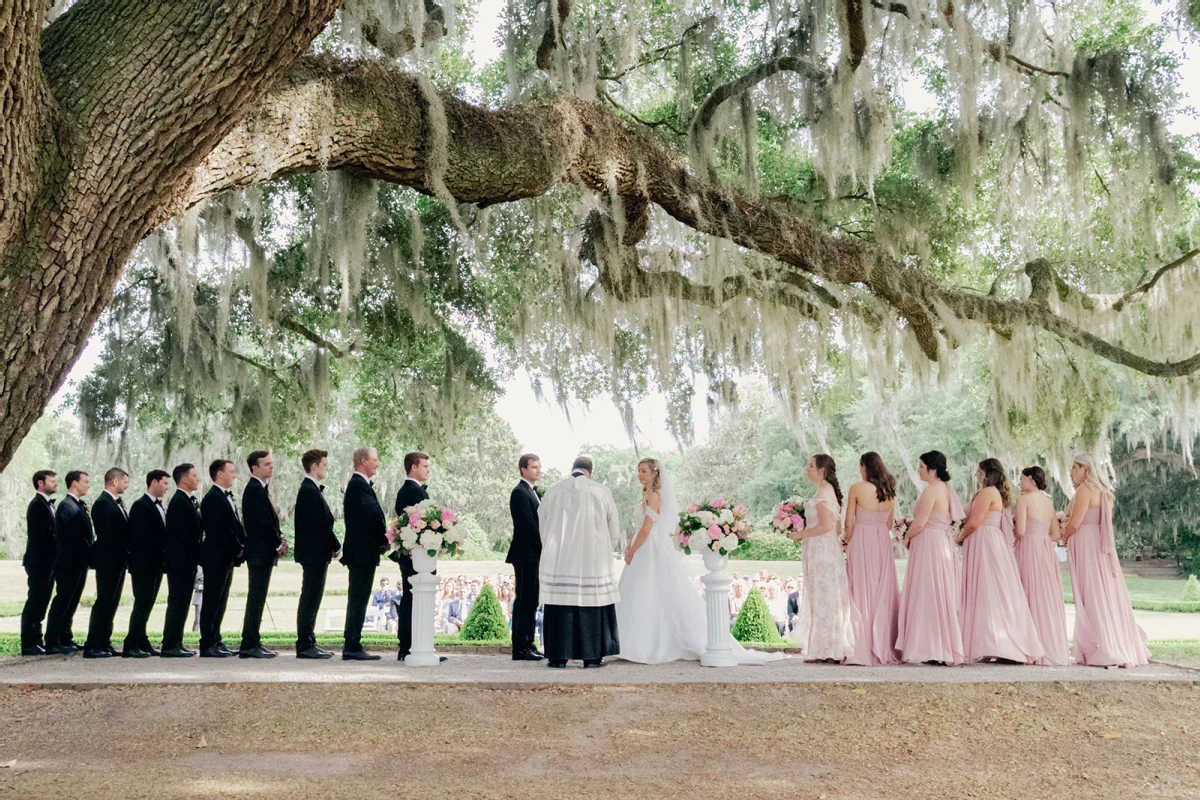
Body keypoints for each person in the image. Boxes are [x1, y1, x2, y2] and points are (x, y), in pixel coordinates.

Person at [1062, 453, 1149, 667]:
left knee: (1090, 592)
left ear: (1087, 469)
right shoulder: (1105, 493)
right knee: (1102, 592)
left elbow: (1075, 524)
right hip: (1098, 547)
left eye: (1075, 468)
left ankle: (1100, 646)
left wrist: (1061, 534)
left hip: (1086, 544)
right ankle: (1110, 641)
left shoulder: (1085, 490)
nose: (1071, 472)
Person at [956, 458, 1044, 664]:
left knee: (990, 590)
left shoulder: (988, 493)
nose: (976, 475)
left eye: (978, 472)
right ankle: (990, 644)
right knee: (987, 593)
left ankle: (1007, 646)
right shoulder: (986, 492)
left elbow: (975, 522)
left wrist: (957, 537)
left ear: (987, 473)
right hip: (985, 541)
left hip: (986, 542)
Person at [538, 456, 621, 668]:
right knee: (592, 602)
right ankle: (592, 657)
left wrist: (551, 548)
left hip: (560, 559)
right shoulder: (600, 491)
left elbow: (543, 524)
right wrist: (604, 550)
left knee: (559, 604)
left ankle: (558, 657)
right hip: (592, 558)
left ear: (572, 469)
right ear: (589, 472)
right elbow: (614, 529)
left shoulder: (553, 491)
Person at [895, 451, 965, 666]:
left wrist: (906, 537)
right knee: (938, 592)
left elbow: (920, 522)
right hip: (940, 543)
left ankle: (934, 647)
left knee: (928, 592)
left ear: (932, 469)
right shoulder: (944, 489)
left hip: (929, 545)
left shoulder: (932, 490)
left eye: (922, 466)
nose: (918, 470)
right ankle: (937, 646)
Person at [786, 454, 856, 663]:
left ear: (821, 471)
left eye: (810, 465)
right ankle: (824, 648)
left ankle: (827, 650)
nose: (807, 469)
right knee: (822, 597)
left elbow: (827, 527)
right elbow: (835, 527)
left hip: (822, 553)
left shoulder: (824, 493)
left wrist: (800, 534)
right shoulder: (826, 492)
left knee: (824, 598)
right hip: (822, 550)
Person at [843, 452, 900, 666]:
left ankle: (861, 646)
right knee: (881, 591)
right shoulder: (889, 492)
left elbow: (849, 523)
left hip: (862, 540)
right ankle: (882, 644)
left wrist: (846, 540)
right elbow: (888, 524)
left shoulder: (857, 488)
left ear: (864, 467)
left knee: (860, 589)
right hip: (881, 542)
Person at [1013, 466, 1070, 666]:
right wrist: (1041, 539)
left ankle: (1027, 646)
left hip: (1027, 548)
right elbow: (1056, 534)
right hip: (1045, 551)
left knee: (1026, 592)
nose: (1019, 483)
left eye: (1021, 479)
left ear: (1030, 479)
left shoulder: (1023, 500)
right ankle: (1047, 645)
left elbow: (1019, 531)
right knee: (1044, 596)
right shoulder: (1048, 502)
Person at [293, 448, 340, 659]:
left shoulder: (312, 489)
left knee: (313, 596)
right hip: (313, 553)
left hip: (317, 553)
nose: (327, 468)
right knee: (310, 597)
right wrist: (336, 544)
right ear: (314, 466)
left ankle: (309, 640)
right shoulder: (309, 490)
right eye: (324, 464)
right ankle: (304, 644)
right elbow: (320, 524)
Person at [341, 446, 387, 661]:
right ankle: (351, 645)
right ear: (363, 461)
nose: (377, 464)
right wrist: (384, 538)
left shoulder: (361, 485)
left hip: (364, 551)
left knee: (359, 598)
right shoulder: (358, 485)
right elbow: (373, 515)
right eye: (374, 460)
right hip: (361, 552)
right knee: (358, 598)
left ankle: (353, 642)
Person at [239, 450, 284, 659]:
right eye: (266, 464)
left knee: (258, 597)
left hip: (263, 552)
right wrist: (278, 543)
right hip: (258, 553)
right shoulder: (254, 489)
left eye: (271, 464)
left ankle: (253, 640)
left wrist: (280, 538)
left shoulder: (260, 489)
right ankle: (249, 644)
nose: (271, 467)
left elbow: (270, 521)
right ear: (254, 468)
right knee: (256, 598)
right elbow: (263, 523)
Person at [199, 459, 245, 658]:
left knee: (221, 600)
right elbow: (221, 530)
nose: (235, 475)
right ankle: (207, 643)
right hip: (216, 556)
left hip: (226, 557)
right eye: (231, 471)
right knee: (211, 600)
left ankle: (216, 639)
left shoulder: (226, 497)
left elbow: (235, 525)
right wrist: (238, 548)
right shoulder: (212, 498)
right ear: (220, 474)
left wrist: (244, 543)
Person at [123, 469, 170, 658]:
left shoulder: (157, 506)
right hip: (144, 565)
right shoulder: (140, 506)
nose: (167, 487)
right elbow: (141, 538)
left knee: (148, 603)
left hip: (156, 564)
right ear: (154, 482)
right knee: (142, 603)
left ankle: (142, 640)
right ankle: (131, 644)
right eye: (165, 483)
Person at [84, 467, 131, 658]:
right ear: (114, 481)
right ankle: (93, 644)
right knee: (104, 601)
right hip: (107, 560)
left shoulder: (116, 503)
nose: (126, 485)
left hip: (118, 560)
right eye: (125, 481)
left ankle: (104, 640)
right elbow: (109, 535)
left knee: (112, 602)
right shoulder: (103, 504)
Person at [393, 451, 435, 662]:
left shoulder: (413, 490)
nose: (428, 469)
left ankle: (415, 644)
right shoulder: (410, 492)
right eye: (425, 466)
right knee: (411, 599)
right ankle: (409, 645)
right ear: (413, 467)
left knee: (413, 598)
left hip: (419, 556)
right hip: (414, 557)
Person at [45, 470, 92, 655]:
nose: (88, 484)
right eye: (85, 481)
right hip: (68, 562)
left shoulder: (76, 505)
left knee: (72, 601)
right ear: (74, 483)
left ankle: (65, 636)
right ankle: (52, 640)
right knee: (63, 600)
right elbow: (73, 537)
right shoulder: (67, 506)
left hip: (78, 562)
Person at [162, 463, 203, 657]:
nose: (197, 479)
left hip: (187, 561)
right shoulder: (179, 501)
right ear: (184, 479)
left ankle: (176, 641)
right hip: (180, 562)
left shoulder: (185, 500)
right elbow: (181, 535)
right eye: (194, 476)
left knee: (182, 602)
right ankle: (170, 644)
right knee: (177, 602)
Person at [507, 453, 544, 661]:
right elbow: (528, 526)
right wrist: (545, 544)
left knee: (532, 600)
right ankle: (520, 646)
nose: (538, 470)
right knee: (525, 599)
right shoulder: (520, 493)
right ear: (523, 469)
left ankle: (529, 642)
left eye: (539, 467)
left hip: (533, 555)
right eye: (534, 467)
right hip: (525, 554)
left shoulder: (533, 492)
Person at [20, 470, 58, 656]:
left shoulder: (48, 505)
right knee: (35, 601)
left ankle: (37, 639)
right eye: (51, 481)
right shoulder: (37, 505)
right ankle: (29, 642)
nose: (55, 483)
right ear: (40, 483)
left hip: (47, 561)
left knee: (43, 600)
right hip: (39, 561)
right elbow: (42, 536)